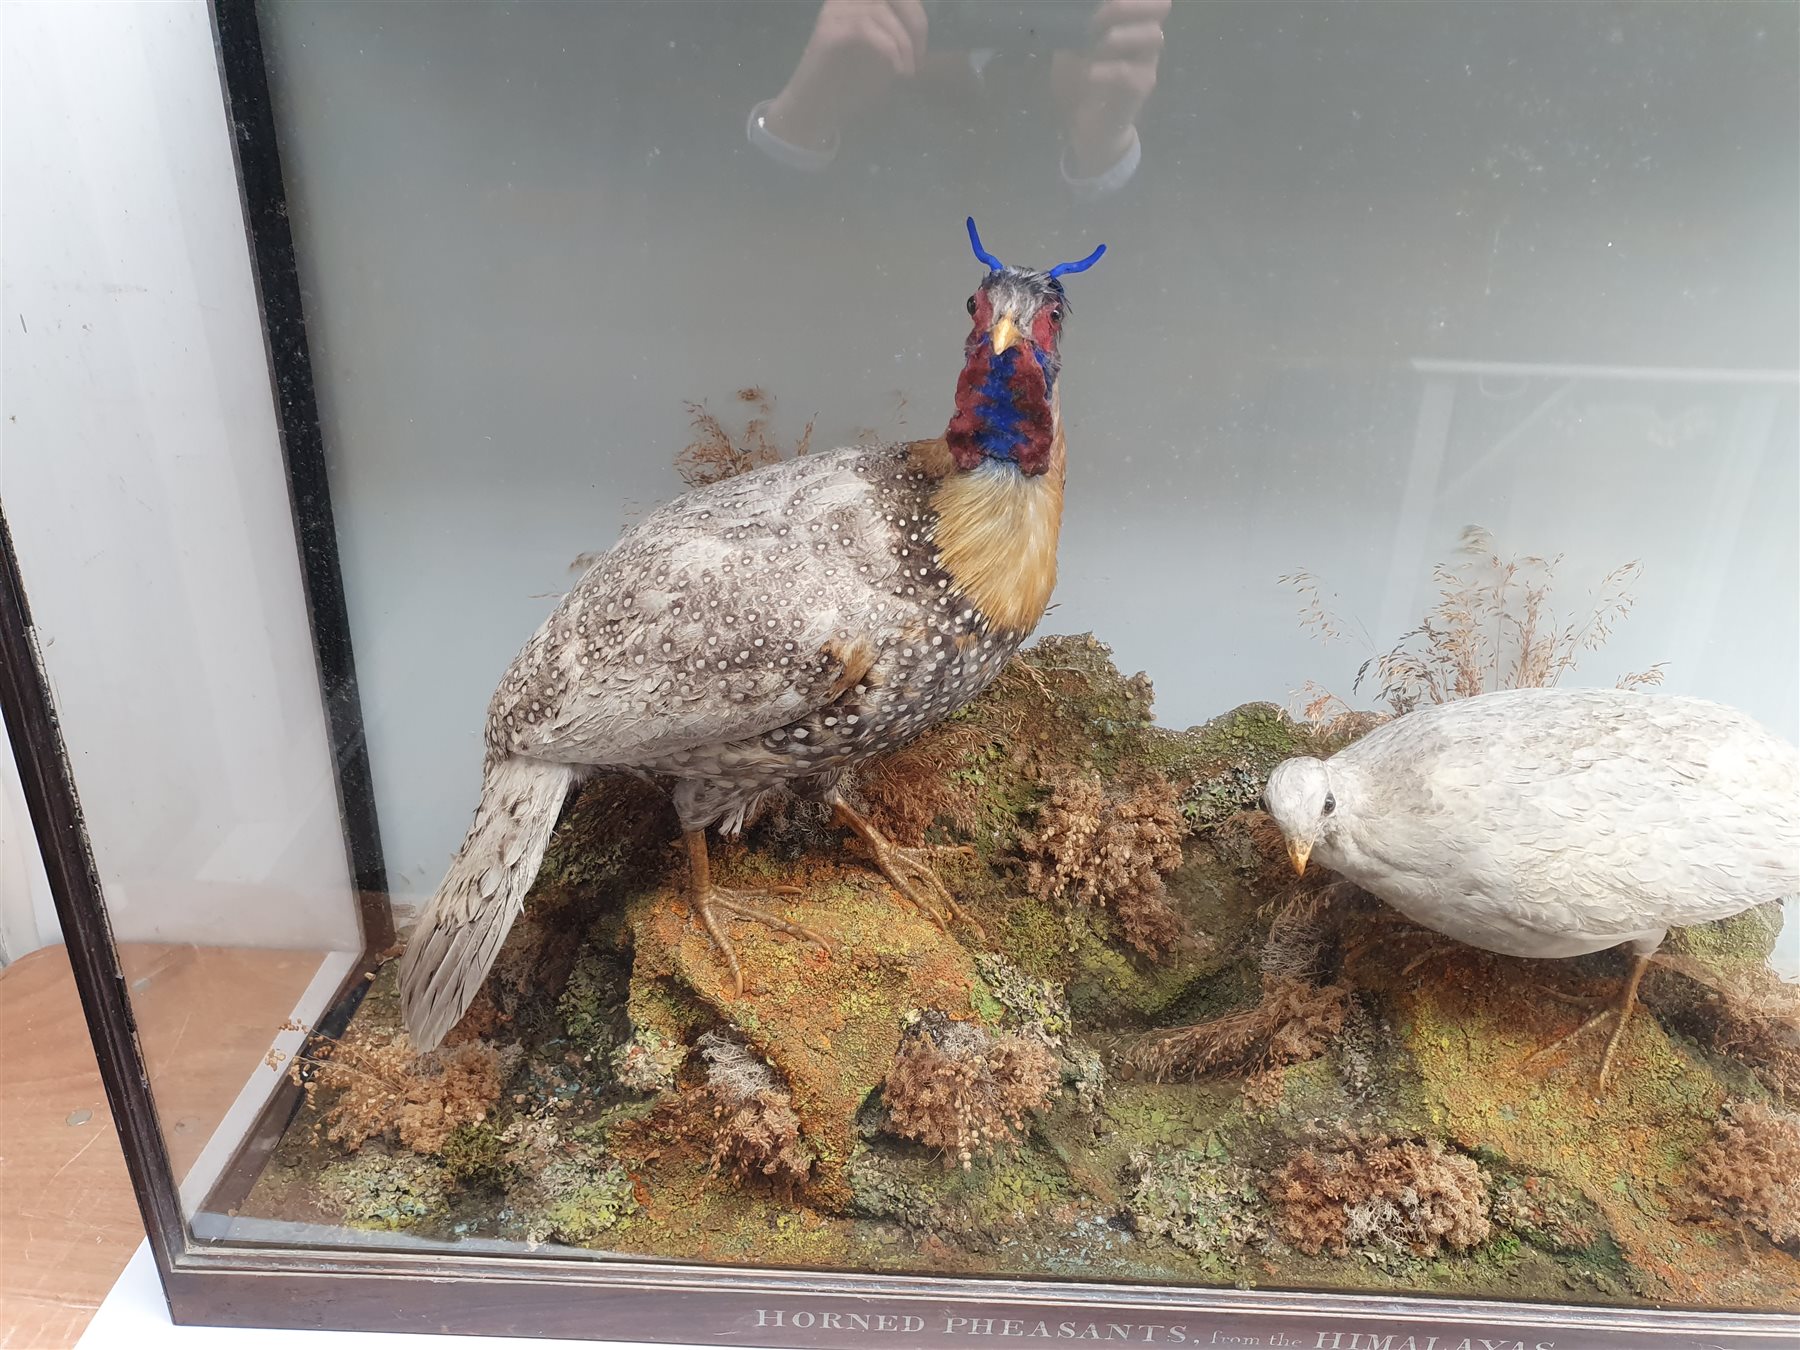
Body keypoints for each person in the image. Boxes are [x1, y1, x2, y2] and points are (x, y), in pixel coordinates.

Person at [747, 0, 1170, 203]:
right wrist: (802, 117)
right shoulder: (795, 26)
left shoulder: (1129, 54)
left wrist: (1104, 144)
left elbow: (1206, 277)